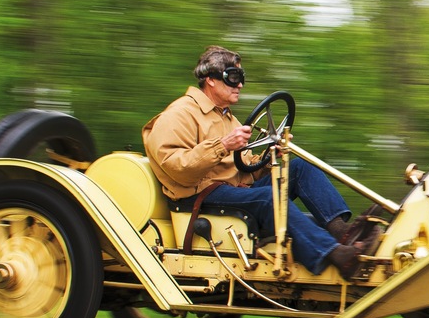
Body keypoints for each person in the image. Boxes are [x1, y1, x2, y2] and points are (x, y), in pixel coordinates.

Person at [142, 46, 374, 278]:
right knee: (268, 198)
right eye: (233, 77)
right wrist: (223, 145)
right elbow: (176, 168)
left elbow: (243, 168)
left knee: (300, 168)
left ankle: (343, 233)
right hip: (200, 195)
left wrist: (268, 159)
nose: (240, 84)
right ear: (210, 79)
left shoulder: (226, 117)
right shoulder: (180, 113)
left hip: (233, 190)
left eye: (241, 78)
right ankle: (336, 255)